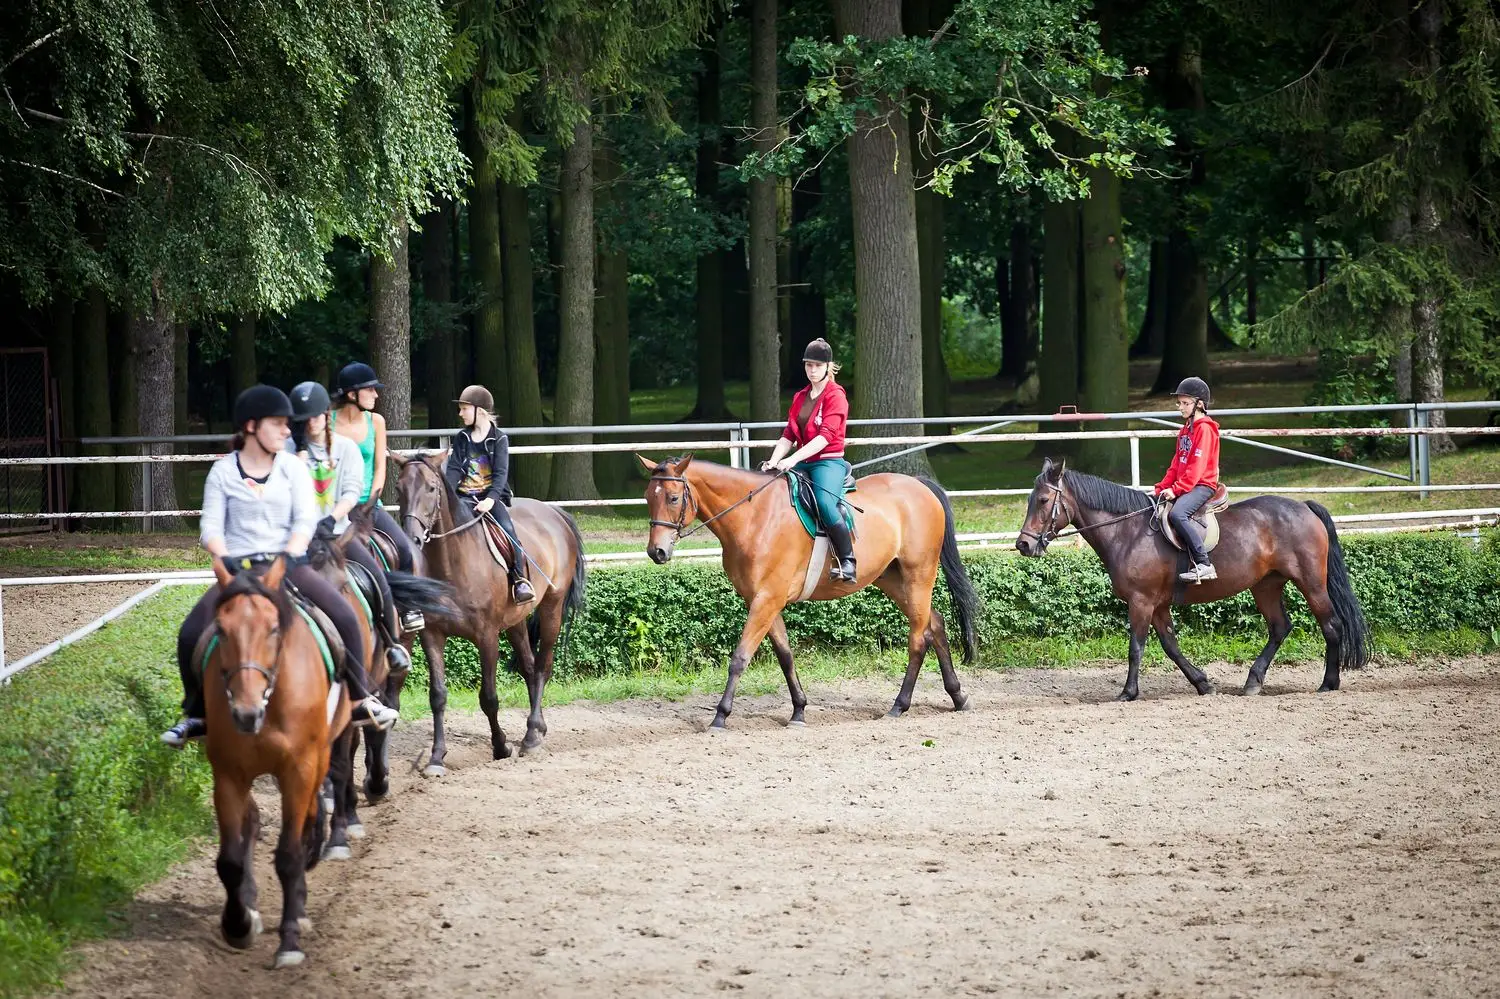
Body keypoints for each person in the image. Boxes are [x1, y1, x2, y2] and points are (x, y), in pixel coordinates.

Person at [160, 385, 399, 748]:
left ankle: (359, 699)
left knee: (347, 619)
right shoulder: (223, 471)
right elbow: (210, 525)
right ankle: (196, 713)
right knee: (191, 631)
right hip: (239, 570)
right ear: (252, 426)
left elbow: (305, 518)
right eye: (280, 424)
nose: (289, 431)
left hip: (290, 564)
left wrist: (288, 555)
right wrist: (222, 558)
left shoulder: (291, 467)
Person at [289, 380, 413, 672]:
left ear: (326, 413)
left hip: (337, 536)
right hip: (298, 540)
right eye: (304, 419)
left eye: (316, 415)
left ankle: (393, 644)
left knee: (378, 580)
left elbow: (350, 490)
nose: (311, 423)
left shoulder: (346, 449)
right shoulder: (288, 451)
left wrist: (333, 518)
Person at [331, 362, 423, 631]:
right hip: (336, 506)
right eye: (370, 390)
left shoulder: (376, 422)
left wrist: (371, 502)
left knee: (405, 550)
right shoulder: (328, 422)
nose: (376, 395)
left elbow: (380, 469)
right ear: (352, 395)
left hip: (369, 504)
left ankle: (408, 609)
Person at [760, 339, 856, 582]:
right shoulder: (800, 396)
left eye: (817, 365)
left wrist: (793, 459)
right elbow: (789, 434)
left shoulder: (836, 396)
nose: (812, 370)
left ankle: (847, 560)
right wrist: (773, 461)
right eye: (808, 365)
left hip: (828, 461)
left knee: (825, 502)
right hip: (802, 460)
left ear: (828, 366)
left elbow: (825, 437)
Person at [443, 385, 535, 603]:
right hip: (463, 497)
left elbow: (501, 473)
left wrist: (491, 500)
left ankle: (519, 579)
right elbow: (454, 468)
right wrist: (448, 493)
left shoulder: (500, 439)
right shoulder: (462, 438)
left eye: (464, 408)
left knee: (509, 532)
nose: (460, 413)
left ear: (480, 410)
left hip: (489, 498)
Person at [1154, 376, 1222, 583]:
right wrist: (1161, 488)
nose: (1180, 407)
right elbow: (1177, 464)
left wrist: (1176, 490)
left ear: (1199, 405)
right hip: (1188, 484)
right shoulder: (1185, 430)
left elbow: (1196, 468)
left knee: (1178, 514)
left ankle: (1204, 563)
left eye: (1185, 403)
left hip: (1203, 485)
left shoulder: (1205, 430)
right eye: (1179, 403)